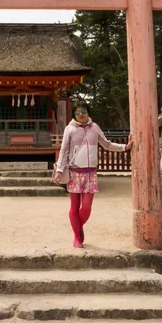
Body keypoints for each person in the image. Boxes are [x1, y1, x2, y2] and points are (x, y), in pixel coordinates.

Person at [54, 101, 132, 248]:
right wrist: (59, 170)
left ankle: (78, 225)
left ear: (88, 112)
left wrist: (124, 147)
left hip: (90, 173)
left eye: (83, 111)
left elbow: (106, 144)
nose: (81, 115)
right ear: (74, 115)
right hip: (74, 172)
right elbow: (63, 151)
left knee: (87, 208)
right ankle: (77, 236)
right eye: (77, 112)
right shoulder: (69, 129)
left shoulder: (95, 127)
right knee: (74, 207)